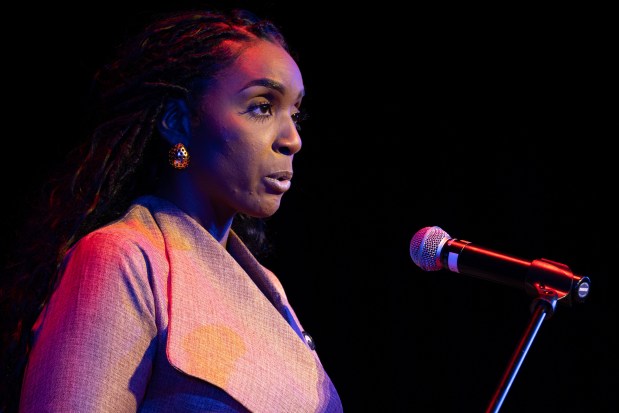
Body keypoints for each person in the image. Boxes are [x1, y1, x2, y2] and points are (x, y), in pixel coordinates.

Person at [0, 7, 343, 413]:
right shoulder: (124, 258)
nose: (292, 139)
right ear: (179, 121)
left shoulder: (271, 292)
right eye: (261, 106)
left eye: (295, 113)